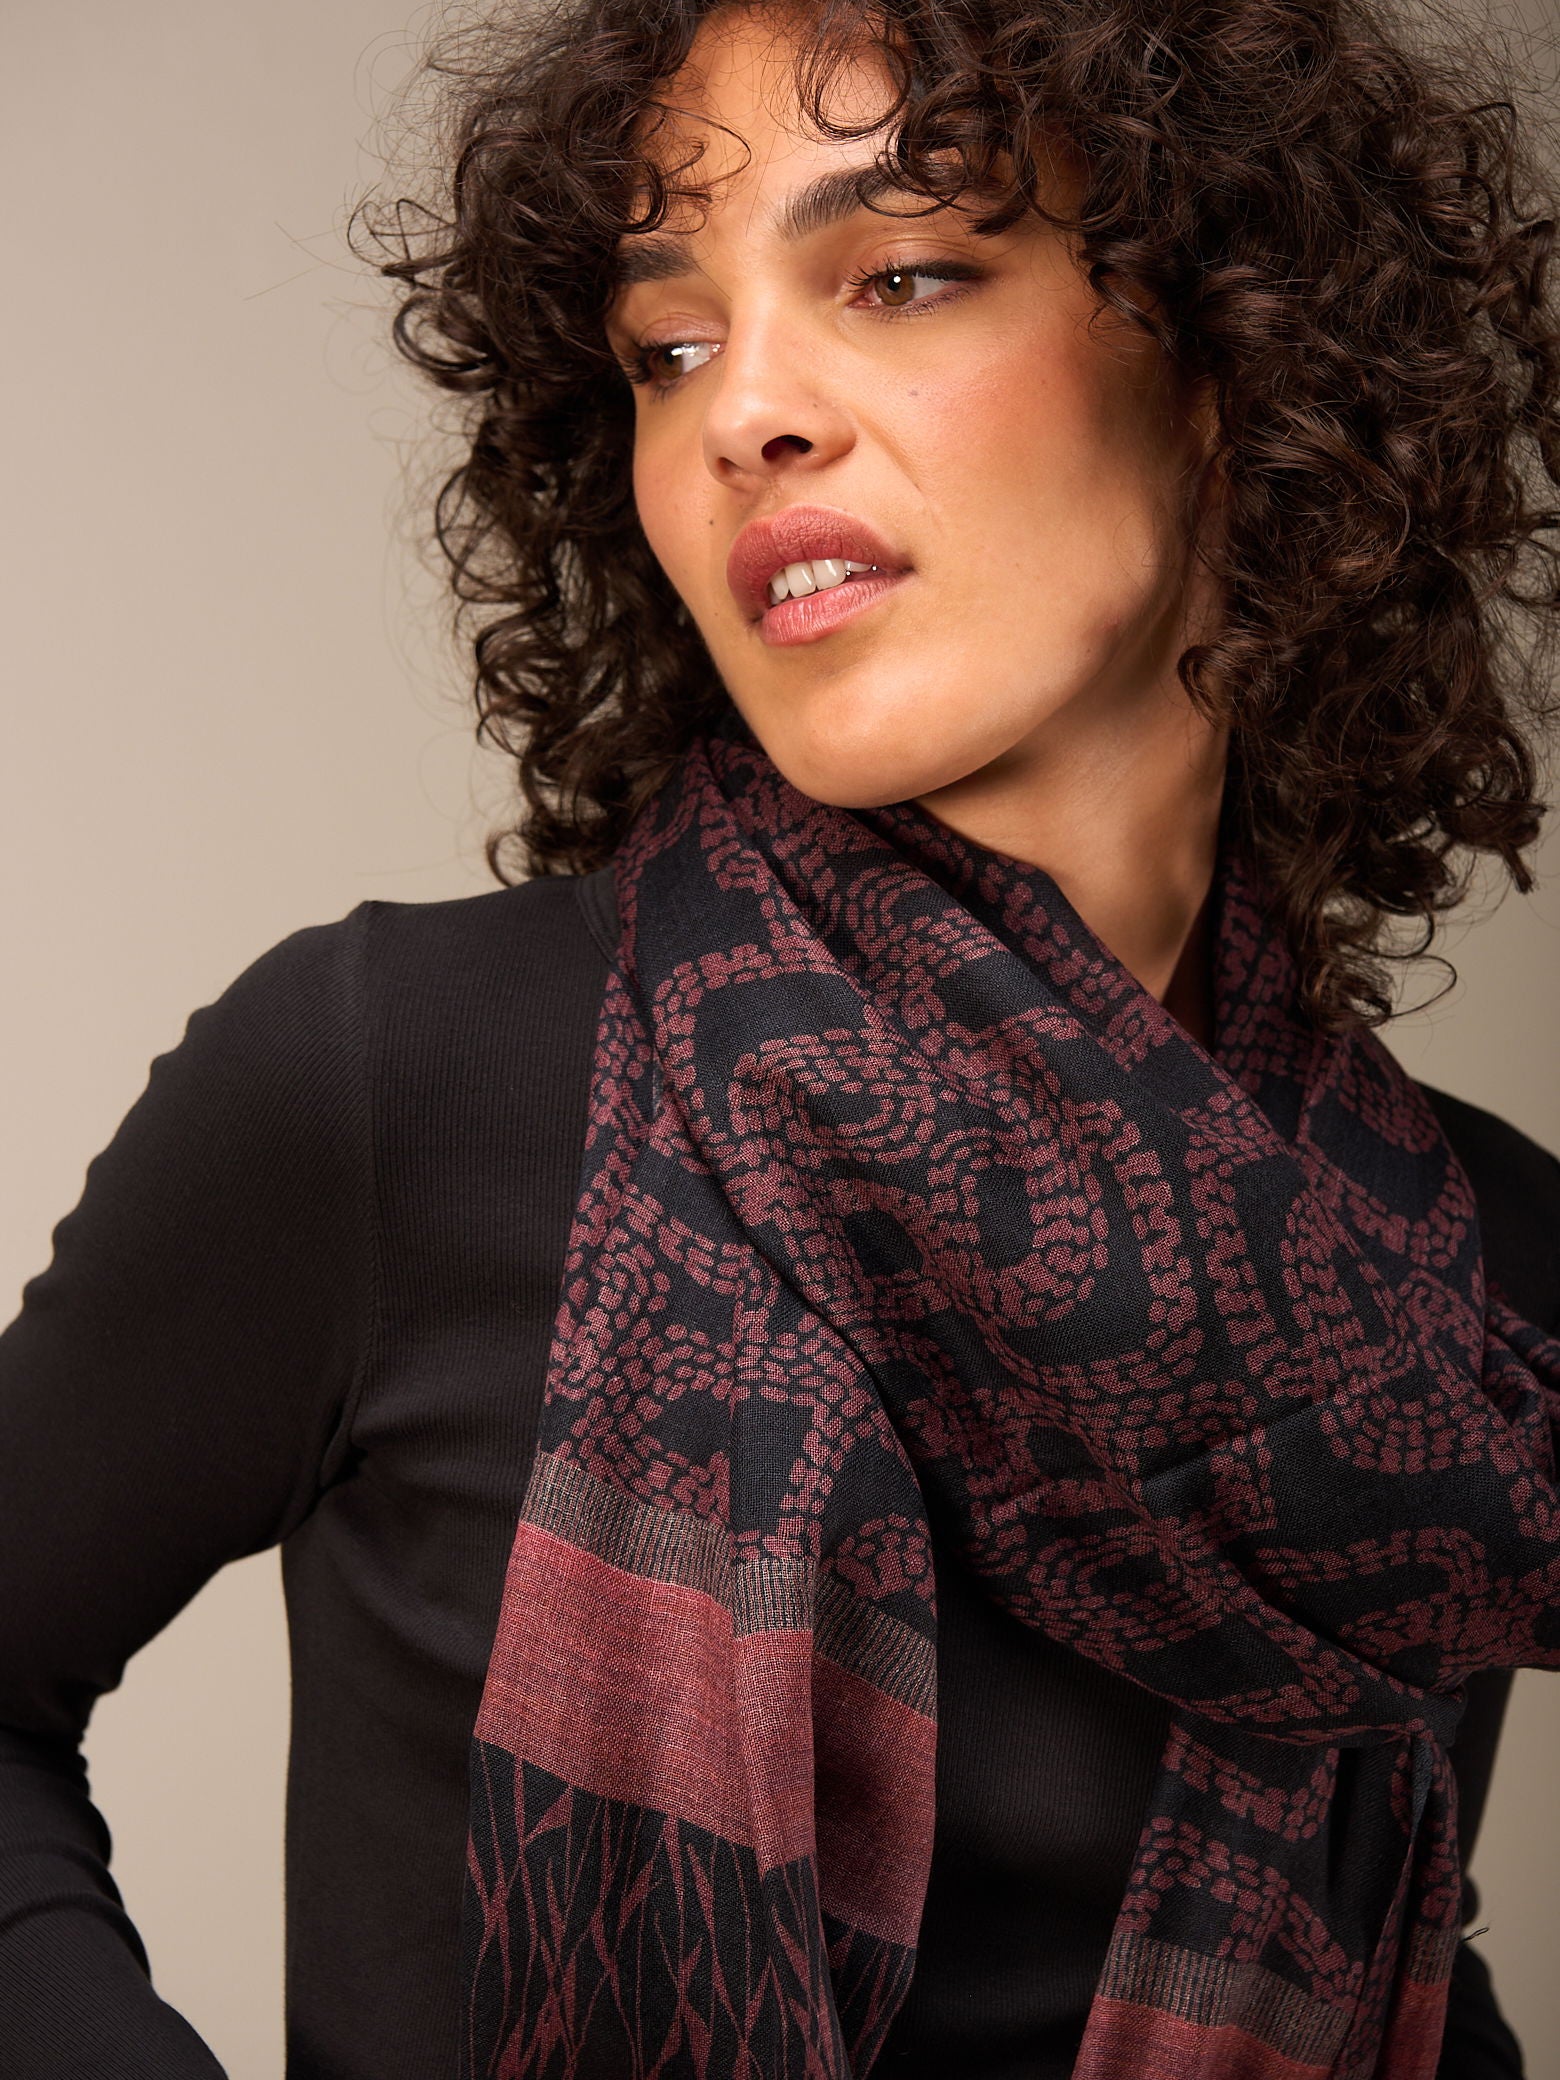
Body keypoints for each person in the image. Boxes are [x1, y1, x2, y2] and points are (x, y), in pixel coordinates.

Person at [3, 0, 1558, 2074]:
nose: (742, 409)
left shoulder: (1465, 1275)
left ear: (1235, 363)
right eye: (668, 347)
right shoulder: (405, 1081)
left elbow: (1396, 1953)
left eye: (901, 274)